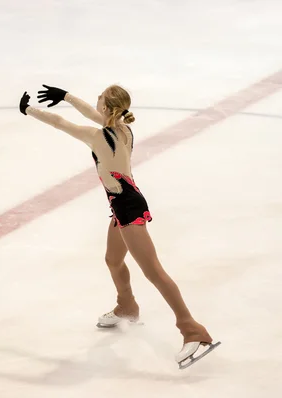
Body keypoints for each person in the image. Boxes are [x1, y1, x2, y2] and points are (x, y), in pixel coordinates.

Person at [18, 84, 218, 368]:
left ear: (108, 108)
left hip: (128, 209)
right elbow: (91, 113)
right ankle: (127, 306)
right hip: (123, 204)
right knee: (113, 260)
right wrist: (66, 97)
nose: (96, 100)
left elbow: (61, 123)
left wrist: (28, 110)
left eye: (100, 97)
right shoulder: (123, 128)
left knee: (154, 273)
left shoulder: (98, 137)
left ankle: (192, 329)